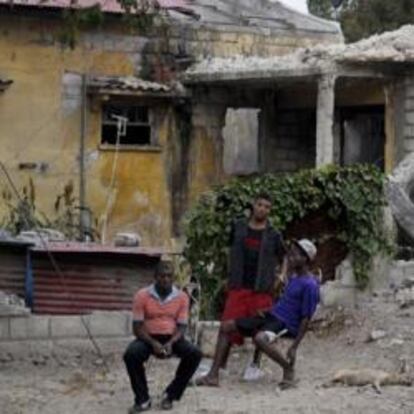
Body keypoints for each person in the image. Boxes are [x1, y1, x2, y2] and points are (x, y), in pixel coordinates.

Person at [196, 192, 285, 386]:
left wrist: (281, 275)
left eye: (267, 207)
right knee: (227, 326)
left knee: (258, 329)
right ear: (253, 205)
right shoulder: (238, 227)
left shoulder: (273, 234)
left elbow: (283, 256)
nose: (263, 209)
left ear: (270, 210)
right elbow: (229, 250)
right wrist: (228, 274)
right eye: (260, 204)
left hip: (261, 289)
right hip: (238, 286)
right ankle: (216, 371)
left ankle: (254, 365)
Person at [210, 239, 320, 389]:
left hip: (285, 325)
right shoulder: (294, 278)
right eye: (291, 254)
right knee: (226, 326)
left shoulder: (310, 285)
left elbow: (306, 318)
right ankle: (213, 375)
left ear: (305, 259)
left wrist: (294, 346)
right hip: (272, 317)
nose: (291, 258)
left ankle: (288, 369)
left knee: (260, 339)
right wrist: (268, 311)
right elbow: (286, 303)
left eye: (295, 256)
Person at [123, 261, 202, 413]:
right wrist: (153, 343)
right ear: (155, 277)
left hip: (172, 337)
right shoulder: (142, 295)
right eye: (162, 276)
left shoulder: (182, 297)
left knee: (195, 354)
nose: (165, 279)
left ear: (173, 278)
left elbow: (182, 325)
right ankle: (143, 399)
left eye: (169, 276)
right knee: (131, 355)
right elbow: (137, 327)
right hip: (148, 337)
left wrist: (172, 342)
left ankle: (171, 395)